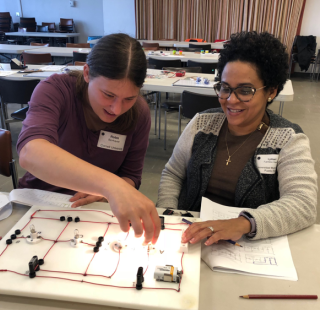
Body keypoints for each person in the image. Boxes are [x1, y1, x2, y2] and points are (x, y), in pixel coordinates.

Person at [157, 31, 317, 245]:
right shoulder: (202, 124)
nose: (231, 100)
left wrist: (243, 223)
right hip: (192, 237)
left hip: (248, 244)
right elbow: (173, 173)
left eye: (245, 90)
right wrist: (170, 216)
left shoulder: (288, 139)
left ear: (271, 91)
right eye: (225, 88)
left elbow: (303, 204)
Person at [17, 33, 160, 245]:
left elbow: (131, 175)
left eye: (129, 98)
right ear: (87, 73)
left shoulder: (139, 113)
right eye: (108, 95)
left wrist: (109, 192)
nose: (116, 109)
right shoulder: (55, 91)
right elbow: (31, 152)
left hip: (95, 214)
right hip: (38, 203)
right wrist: (111, 186)